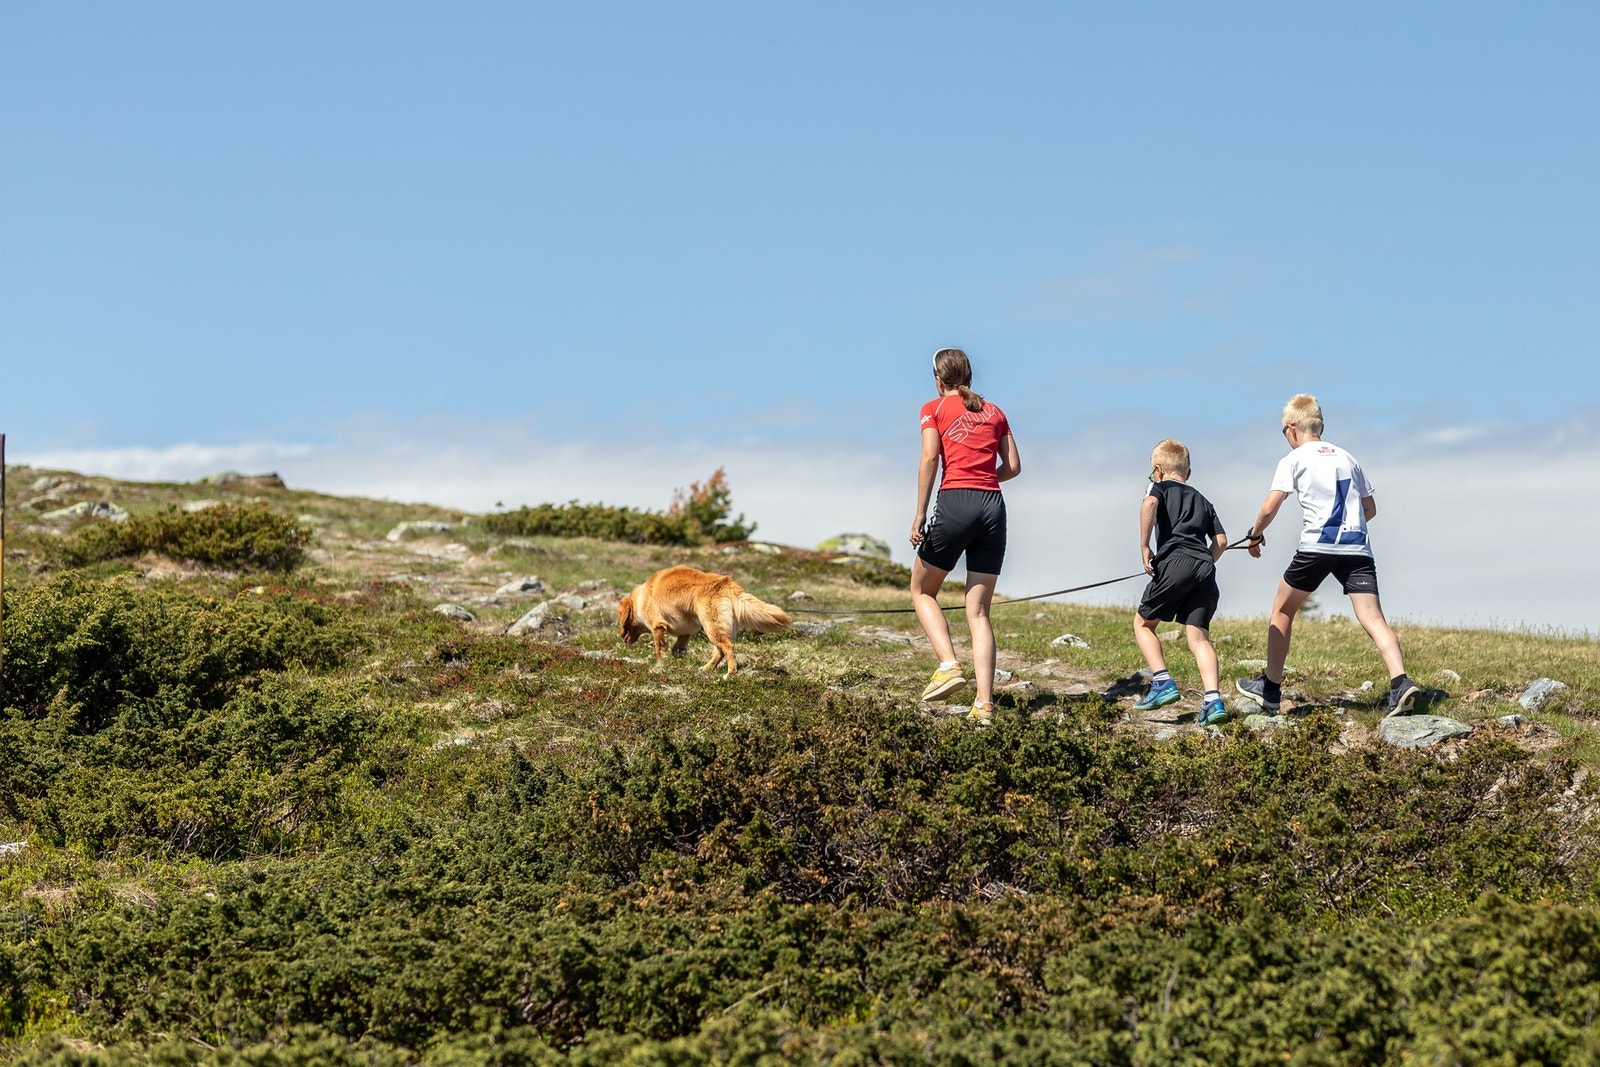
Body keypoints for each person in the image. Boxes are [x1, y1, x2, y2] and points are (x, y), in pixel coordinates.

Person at [1236, 394, 1421, 717]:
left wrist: (1254, 536)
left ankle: (1270, 688)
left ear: (1292, 428)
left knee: (1282, 609)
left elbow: (1270, 506)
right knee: (1373, 617)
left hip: (1317, 547)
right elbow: (1369, 509)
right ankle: (1400, 682)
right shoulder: (1348, 457)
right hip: (1356, 547)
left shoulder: (1294, 460)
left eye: (1283, 431)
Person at [909, 348, 1021, 725]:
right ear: (970, 375)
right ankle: (985, 705)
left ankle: (948, 664)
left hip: (955, 500)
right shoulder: (996, 411)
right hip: (993, 506)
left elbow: (929, 459)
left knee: (922, 590)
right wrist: (986, 478)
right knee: (979, 611)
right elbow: (1014, 467)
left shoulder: (933, 407)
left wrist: (920, 514)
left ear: (939, 379)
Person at [1132, 440, 1230, 725]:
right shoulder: (1204, 500)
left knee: (1143, 624)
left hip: (1175, 561)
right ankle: (1213, 700)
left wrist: (1144, 547)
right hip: (1205, 567)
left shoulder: (1159, 488)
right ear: (1188, 473)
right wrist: (1205, 561)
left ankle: (1162, 682)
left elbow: (1149, 504)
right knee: (1199, 637)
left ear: (1158, 470)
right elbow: (1221, 541)